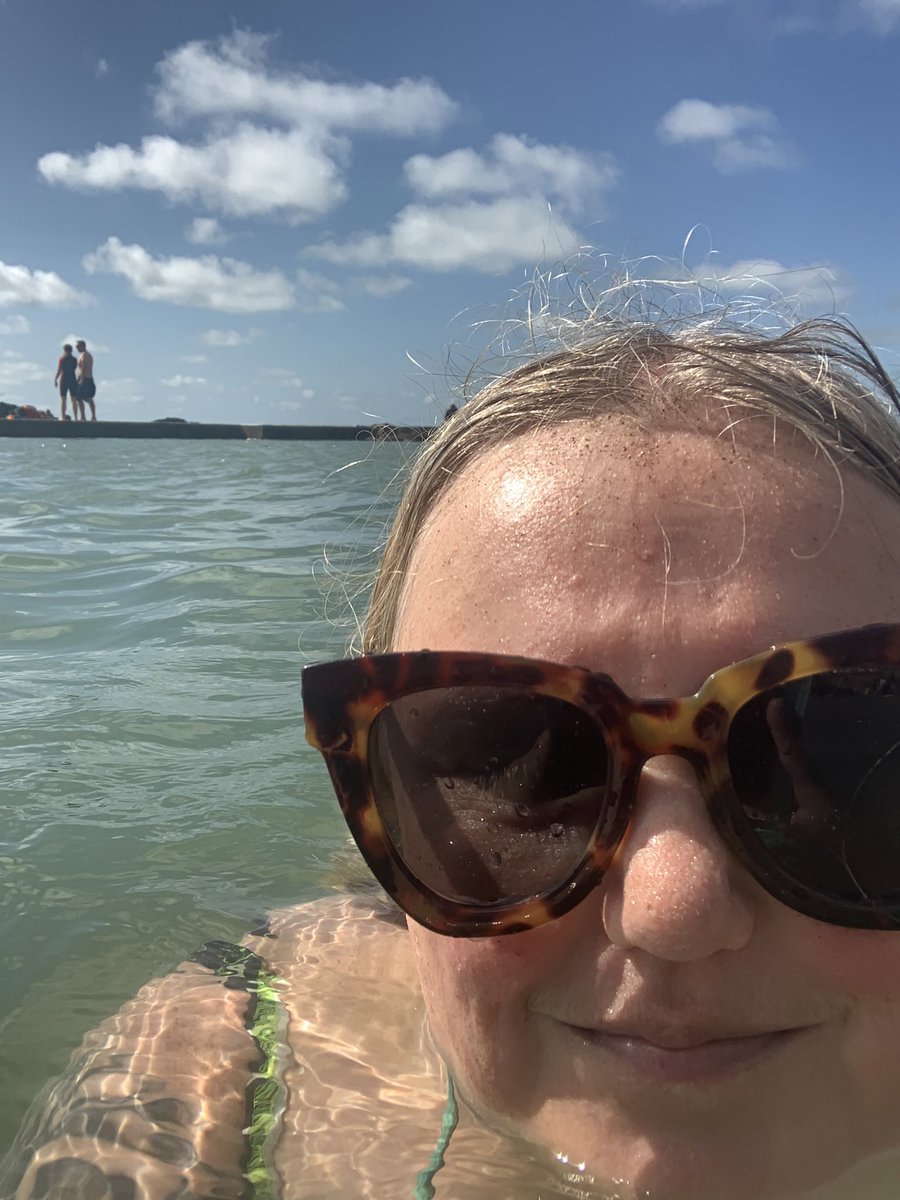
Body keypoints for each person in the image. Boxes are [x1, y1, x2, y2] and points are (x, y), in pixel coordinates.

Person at [5, 306, 900, 1200]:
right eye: (513, 756)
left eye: (841, 741)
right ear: (383, 795)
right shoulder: (227, 1046)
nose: (674, 912)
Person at [53, 343, 78, 420]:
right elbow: (75, 368)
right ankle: (76, 417)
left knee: (63, 399)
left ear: (64, 350)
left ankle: (63, 416)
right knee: (74, 399)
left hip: (64, 379)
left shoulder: (62, 359)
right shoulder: (74, 359)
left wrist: (55, 379)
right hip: (72, 378)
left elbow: (59, 370)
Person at [75, 338, 97, 421]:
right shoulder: (85, 355)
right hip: (87, 378)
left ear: (83, 346)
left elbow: (83, 368)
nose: (77, 348)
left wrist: (81, 380)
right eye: (76, 347)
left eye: (78, 347)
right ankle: (91, 416)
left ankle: (84, 416)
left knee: (80, 398)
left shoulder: (85, 355)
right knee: (87, 398)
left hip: (85, 378)